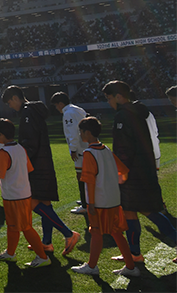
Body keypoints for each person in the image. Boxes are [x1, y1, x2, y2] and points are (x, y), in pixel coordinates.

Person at [103, 80, 176, 261]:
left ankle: (137, 253)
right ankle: (134, 254)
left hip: (133, 173)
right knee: (130, 211)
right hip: (141, 169)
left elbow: (125, 149)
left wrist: (121, 171)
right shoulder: (136, 113)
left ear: (119, 97)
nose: (108, 102)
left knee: (148, 211)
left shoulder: (124, 116)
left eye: (109, 98)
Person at [2, 86, 80, 255]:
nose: (10, 106)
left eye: (9, 102)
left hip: (36, 164)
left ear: (16, 98)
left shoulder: (28, 113)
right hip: (43, 162)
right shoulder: (33, 110)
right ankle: (47, 242)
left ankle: (68, 233)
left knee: (33, 203)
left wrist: (21, 161)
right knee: (45, 202)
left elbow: (30, 142)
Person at [70, 116, 139, 277]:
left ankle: (92, 266)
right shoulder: (106, 149)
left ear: (87, 132)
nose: (80, 135)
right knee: (116, 233)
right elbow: (123, 173)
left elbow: (89, 181)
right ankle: (130, 266)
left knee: (96, 232)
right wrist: (111, 184)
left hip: (99, 201)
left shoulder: (89, 153)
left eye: (81, 132)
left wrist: (90, 203)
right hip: (113, 200)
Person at [0, 119, 50, 268]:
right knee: (12, 226)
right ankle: (10, 253)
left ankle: (43, 257)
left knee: (26, 227)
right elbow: (29, 169)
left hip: (16, 196)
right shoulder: (20, 148)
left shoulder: (3, 153)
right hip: (20, 194)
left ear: (1, 135)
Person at [49, 91, 89, 218]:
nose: (56, 108)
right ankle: (86, 199)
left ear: (61, 103)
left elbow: (73, 133)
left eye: (56, 105)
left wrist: (73, 149)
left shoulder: (68, 113)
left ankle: (85, 204)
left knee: (81, 176)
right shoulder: (76, 109)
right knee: (86, 175)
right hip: (86, 147)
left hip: (80, 149)